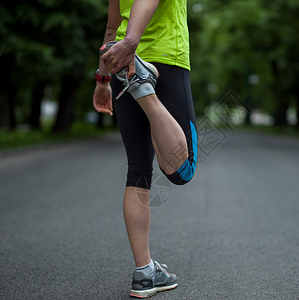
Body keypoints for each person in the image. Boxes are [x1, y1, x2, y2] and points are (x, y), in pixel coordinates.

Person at [92, 0, 197, 298]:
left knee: (138, 169)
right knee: (183, 169)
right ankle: (143, 86)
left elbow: (112, 26)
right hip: (162, 58)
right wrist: (131, 43)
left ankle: (145, 272)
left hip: (119, 63)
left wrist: (102, 78)